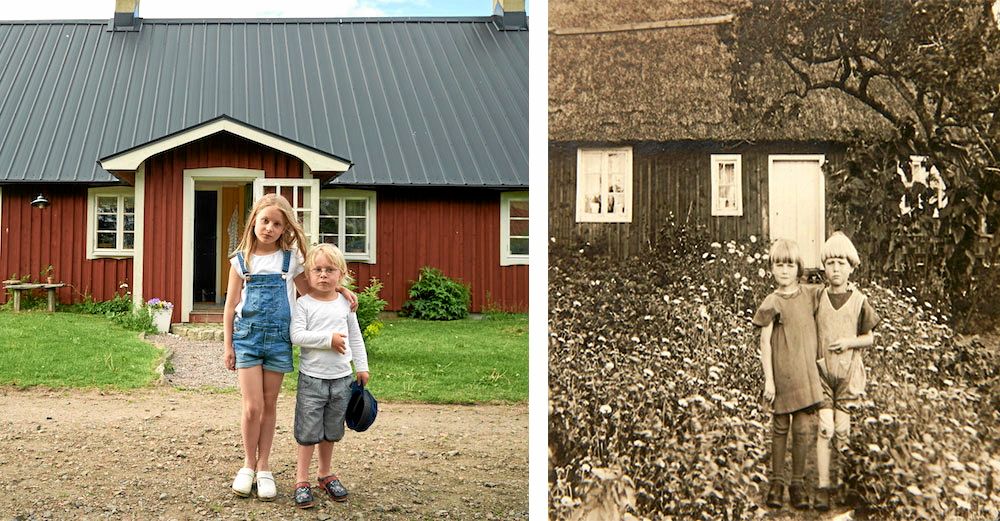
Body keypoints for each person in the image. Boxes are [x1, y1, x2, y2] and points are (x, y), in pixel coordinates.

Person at [222, 194, 355, 501]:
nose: (269, 227)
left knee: (269, 406)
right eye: (265, 220)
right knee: (252, 406)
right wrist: (228, 346)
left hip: (279, 340)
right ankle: (248, 466)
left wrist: (342, 290)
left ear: (285, 229)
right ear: (254, 220)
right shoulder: (240, 261)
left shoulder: (291, 259)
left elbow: (313, 292)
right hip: (248, 339)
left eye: (277, 224)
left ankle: (265, 467)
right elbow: (230, 307)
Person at [290, 243, 370, 508]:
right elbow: (297, 336)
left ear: (342, 274)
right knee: (308, 429)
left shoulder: (344, 304)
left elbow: (355, 337)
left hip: (342, 378)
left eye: (330, 270)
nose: (323, 275)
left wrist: (361, 366)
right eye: (317, 270)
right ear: (308, 275)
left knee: (332, 429)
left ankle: (325, 473)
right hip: (312, 377)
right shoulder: (304, 304)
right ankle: (302, 479)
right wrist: (328, 339)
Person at [753, 238, 824, 510]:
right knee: (780, 427)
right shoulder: (772, 301)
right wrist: (769, 379)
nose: (784, 271)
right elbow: (764, 343)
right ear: (772, 268)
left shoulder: (810, 294)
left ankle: (797, 483)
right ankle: (777, 482)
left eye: (789, 265)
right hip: (783, 374)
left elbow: (833, 296)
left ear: (799, 268)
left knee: (803, 429)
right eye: (779, 265)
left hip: (806, 372)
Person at [813, 232, 880, 511]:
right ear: (824, 268)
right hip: (823, 373)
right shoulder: (818, 297)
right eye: (830, 263)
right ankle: (823, 486)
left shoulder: (859, 300)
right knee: (825, 429)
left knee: (842, 431)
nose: (836, 269)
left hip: (849, 374)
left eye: (841, 263)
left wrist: (850, 342)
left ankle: (845, 483)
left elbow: (870, 337)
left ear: (851, 266)